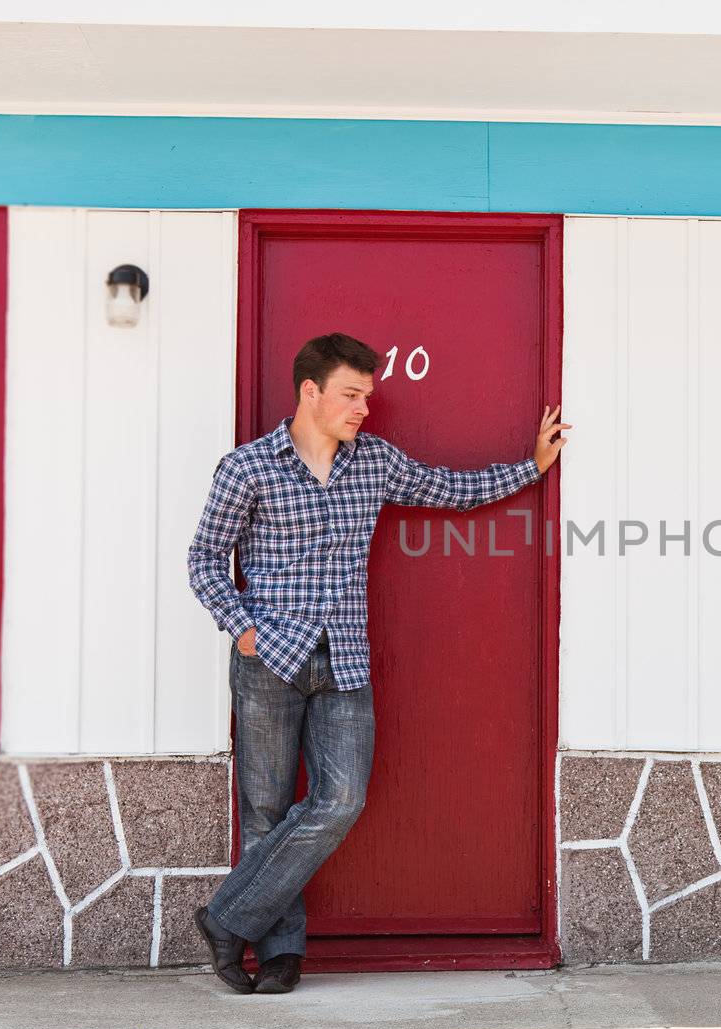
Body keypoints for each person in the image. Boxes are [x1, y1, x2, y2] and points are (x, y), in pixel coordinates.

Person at [185, 332, 569, 994]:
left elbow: (449, 488)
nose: (364, 407)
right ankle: (280, 951)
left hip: (346, 661)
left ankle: (227, 918)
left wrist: (530, 469)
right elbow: (204, 560)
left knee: (341, 797)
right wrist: (244, 630)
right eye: (351, 394)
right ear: (311, 392)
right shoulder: (246, 468)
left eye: (367, 395)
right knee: (267, 809)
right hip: (268, 659)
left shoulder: (375, 463)